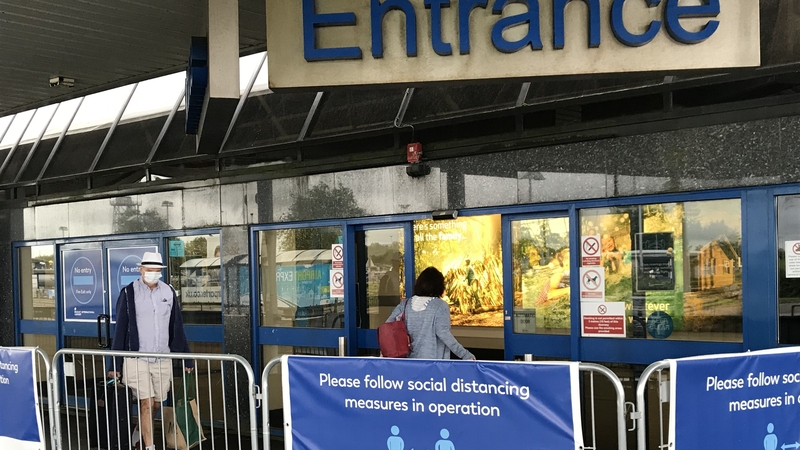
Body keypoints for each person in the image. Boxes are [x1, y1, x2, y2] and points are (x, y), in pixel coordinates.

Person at [107, 251, 192, 450]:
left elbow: (177, 326)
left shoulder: (168, 292)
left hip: (162, 357)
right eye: (149, 269)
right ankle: (149, 446)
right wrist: (114, 365)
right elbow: (120, 329)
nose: (153, 273)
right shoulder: (129, 292)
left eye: (156, 270)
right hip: (137, 358)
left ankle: (139, 431)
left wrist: (187, 357)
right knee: (146, 402)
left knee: (156, 403)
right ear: (141, 270)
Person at [386, 267, 475, 360]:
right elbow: (444, 335)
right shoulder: (440, 306)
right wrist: (465, 355)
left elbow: (388, 326)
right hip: (433, 364)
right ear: (439, 286)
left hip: (407, 362)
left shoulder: (405, 304)